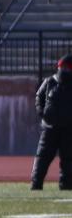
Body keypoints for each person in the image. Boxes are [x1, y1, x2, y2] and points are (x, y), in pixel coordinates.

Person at [31, 54, 72, 190]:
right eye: (62, 67)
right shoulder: (50, 81)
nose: (64, 70)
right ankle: (36, 184)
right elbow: (39, 97)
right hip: (50, 128)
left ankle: (66, 185)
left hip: (69, 130)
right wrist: (42, 113)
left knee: (68, 159)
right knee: (43, 156)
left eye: (67, 68)